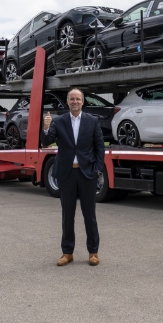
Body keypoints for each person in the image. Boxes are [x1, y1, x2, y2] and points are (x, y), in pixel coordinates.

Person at [42, 88, 105, 266]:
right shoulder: (59, 121)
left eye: (78, 99)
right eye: (72, 99)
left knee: (89, 215)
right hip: (67, 174)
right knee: (67, 215)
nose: (75, 102)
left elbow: (100, 147)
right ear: (68, 102)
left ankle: (93, 252)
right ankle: (67, 252)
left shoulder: (92, 121)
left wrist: (97, 169)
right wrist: (46, 128)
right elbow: (46, 141)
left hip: (87, 174)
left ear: (82, 102)